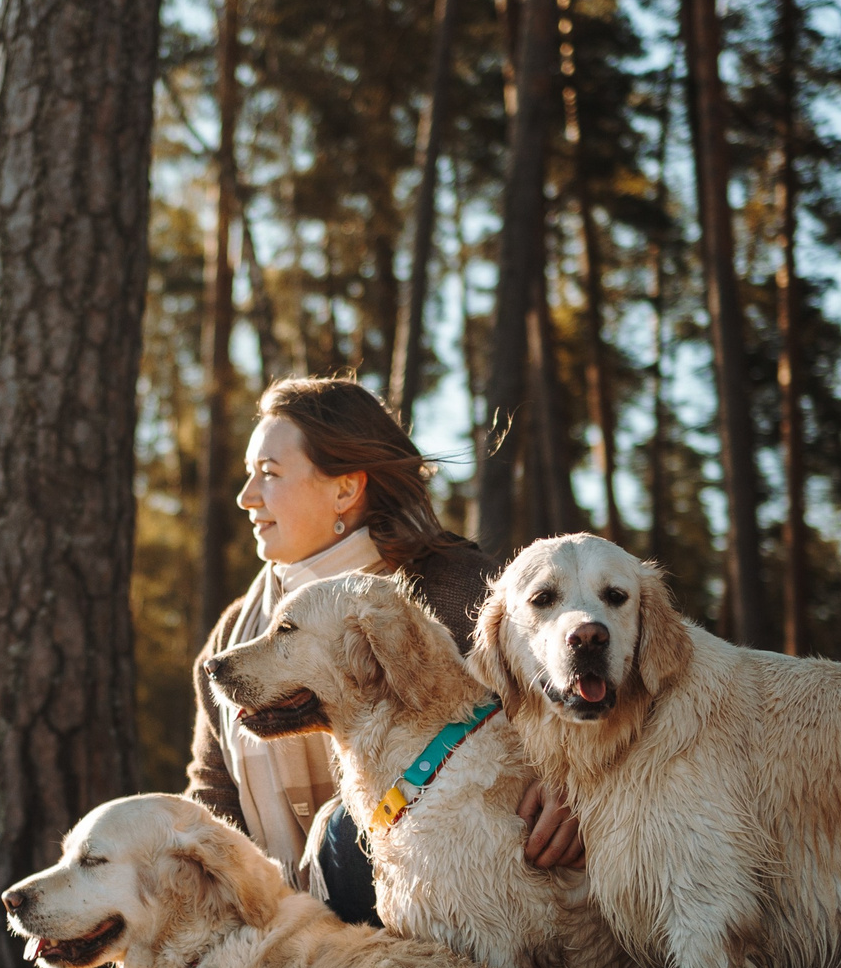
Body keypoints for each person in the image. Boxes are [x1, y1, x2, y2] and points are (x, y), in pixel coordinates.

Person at [187, 376, 582, 923]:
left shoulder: (463, 590)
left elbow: (581, 702)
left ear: (346, 490)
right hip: (292, 938)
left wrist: (573, 787)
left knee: (344, 828)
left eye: (269, 475)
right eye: (250, 474)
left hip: (481, 909)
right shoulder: (235, 634)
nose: (246, 496)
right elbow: (213, 797)